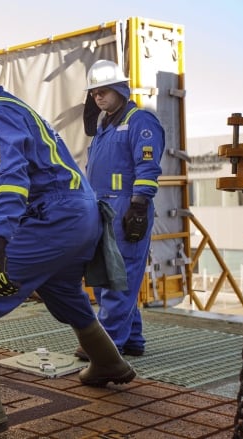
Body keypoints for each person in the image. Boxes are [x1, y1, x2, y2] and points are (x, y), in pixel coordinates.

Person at [0, 40, 136, 438]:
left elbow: (13, 180)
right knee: (62, 291)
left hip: (55, 216)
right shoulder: (13, 108)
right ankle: (108, 363)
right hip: (78, 215)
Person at [78, 60, 164, 360]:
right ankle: (133, 340)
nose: (98, 98)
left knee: (120, 277)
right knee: (105, 277)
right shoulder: (105, 125)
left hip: (126, 208)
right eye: (94, 93)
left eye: (104, 91)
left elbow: (147, 164)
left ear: (120, 89)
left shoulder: (140, 121)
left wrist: (138, 205)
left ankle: (108, 344)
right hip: (103, 209)